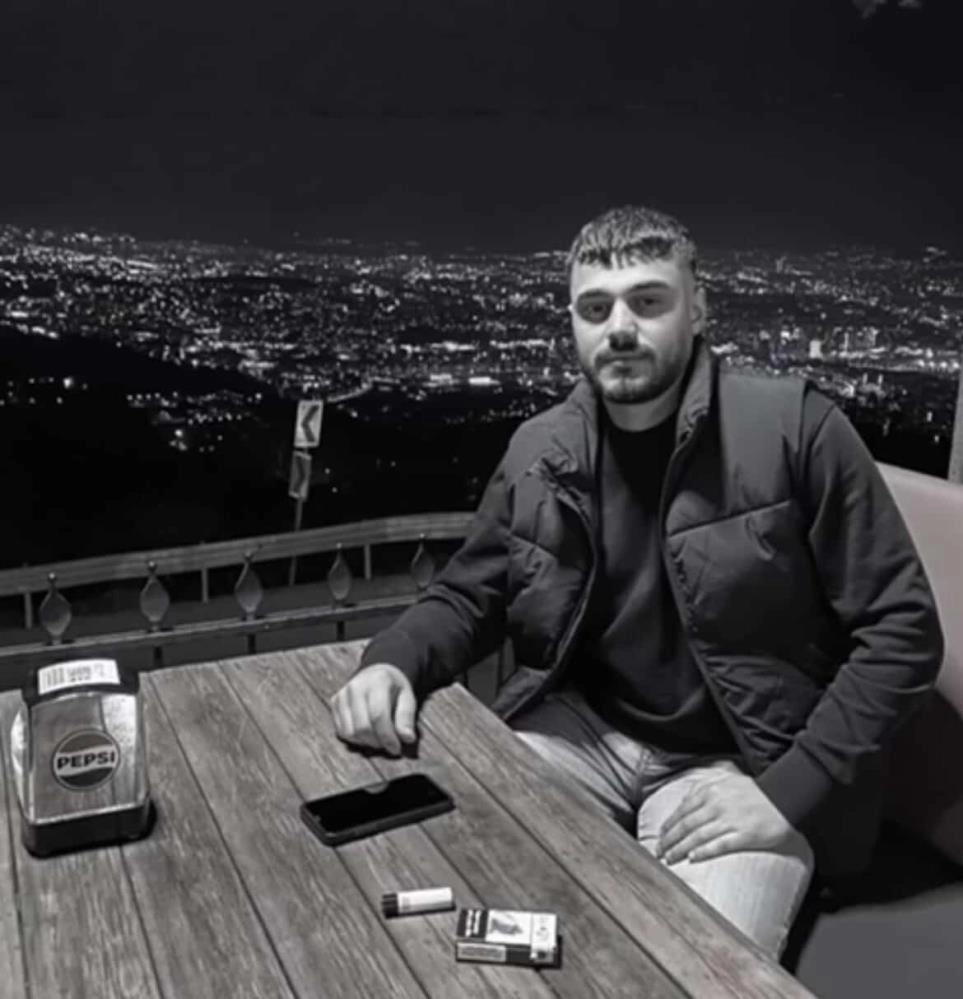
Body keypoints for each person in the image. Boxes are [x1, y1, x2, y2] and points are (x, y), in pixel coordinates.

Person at [328, 205, 944, 959]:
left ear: (698, 308)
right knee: (446, 899)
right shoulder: (540, 448)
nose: (619, 327)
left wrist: (785, 792)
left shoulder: (795, 429)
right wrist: (391, 660)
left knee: (701, 966)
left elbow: (903, 632)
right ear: (572, 324)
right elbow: (469, 593)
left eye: (647, 301)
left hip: (739, 761)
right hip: (581, 736)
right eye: (595, 309)